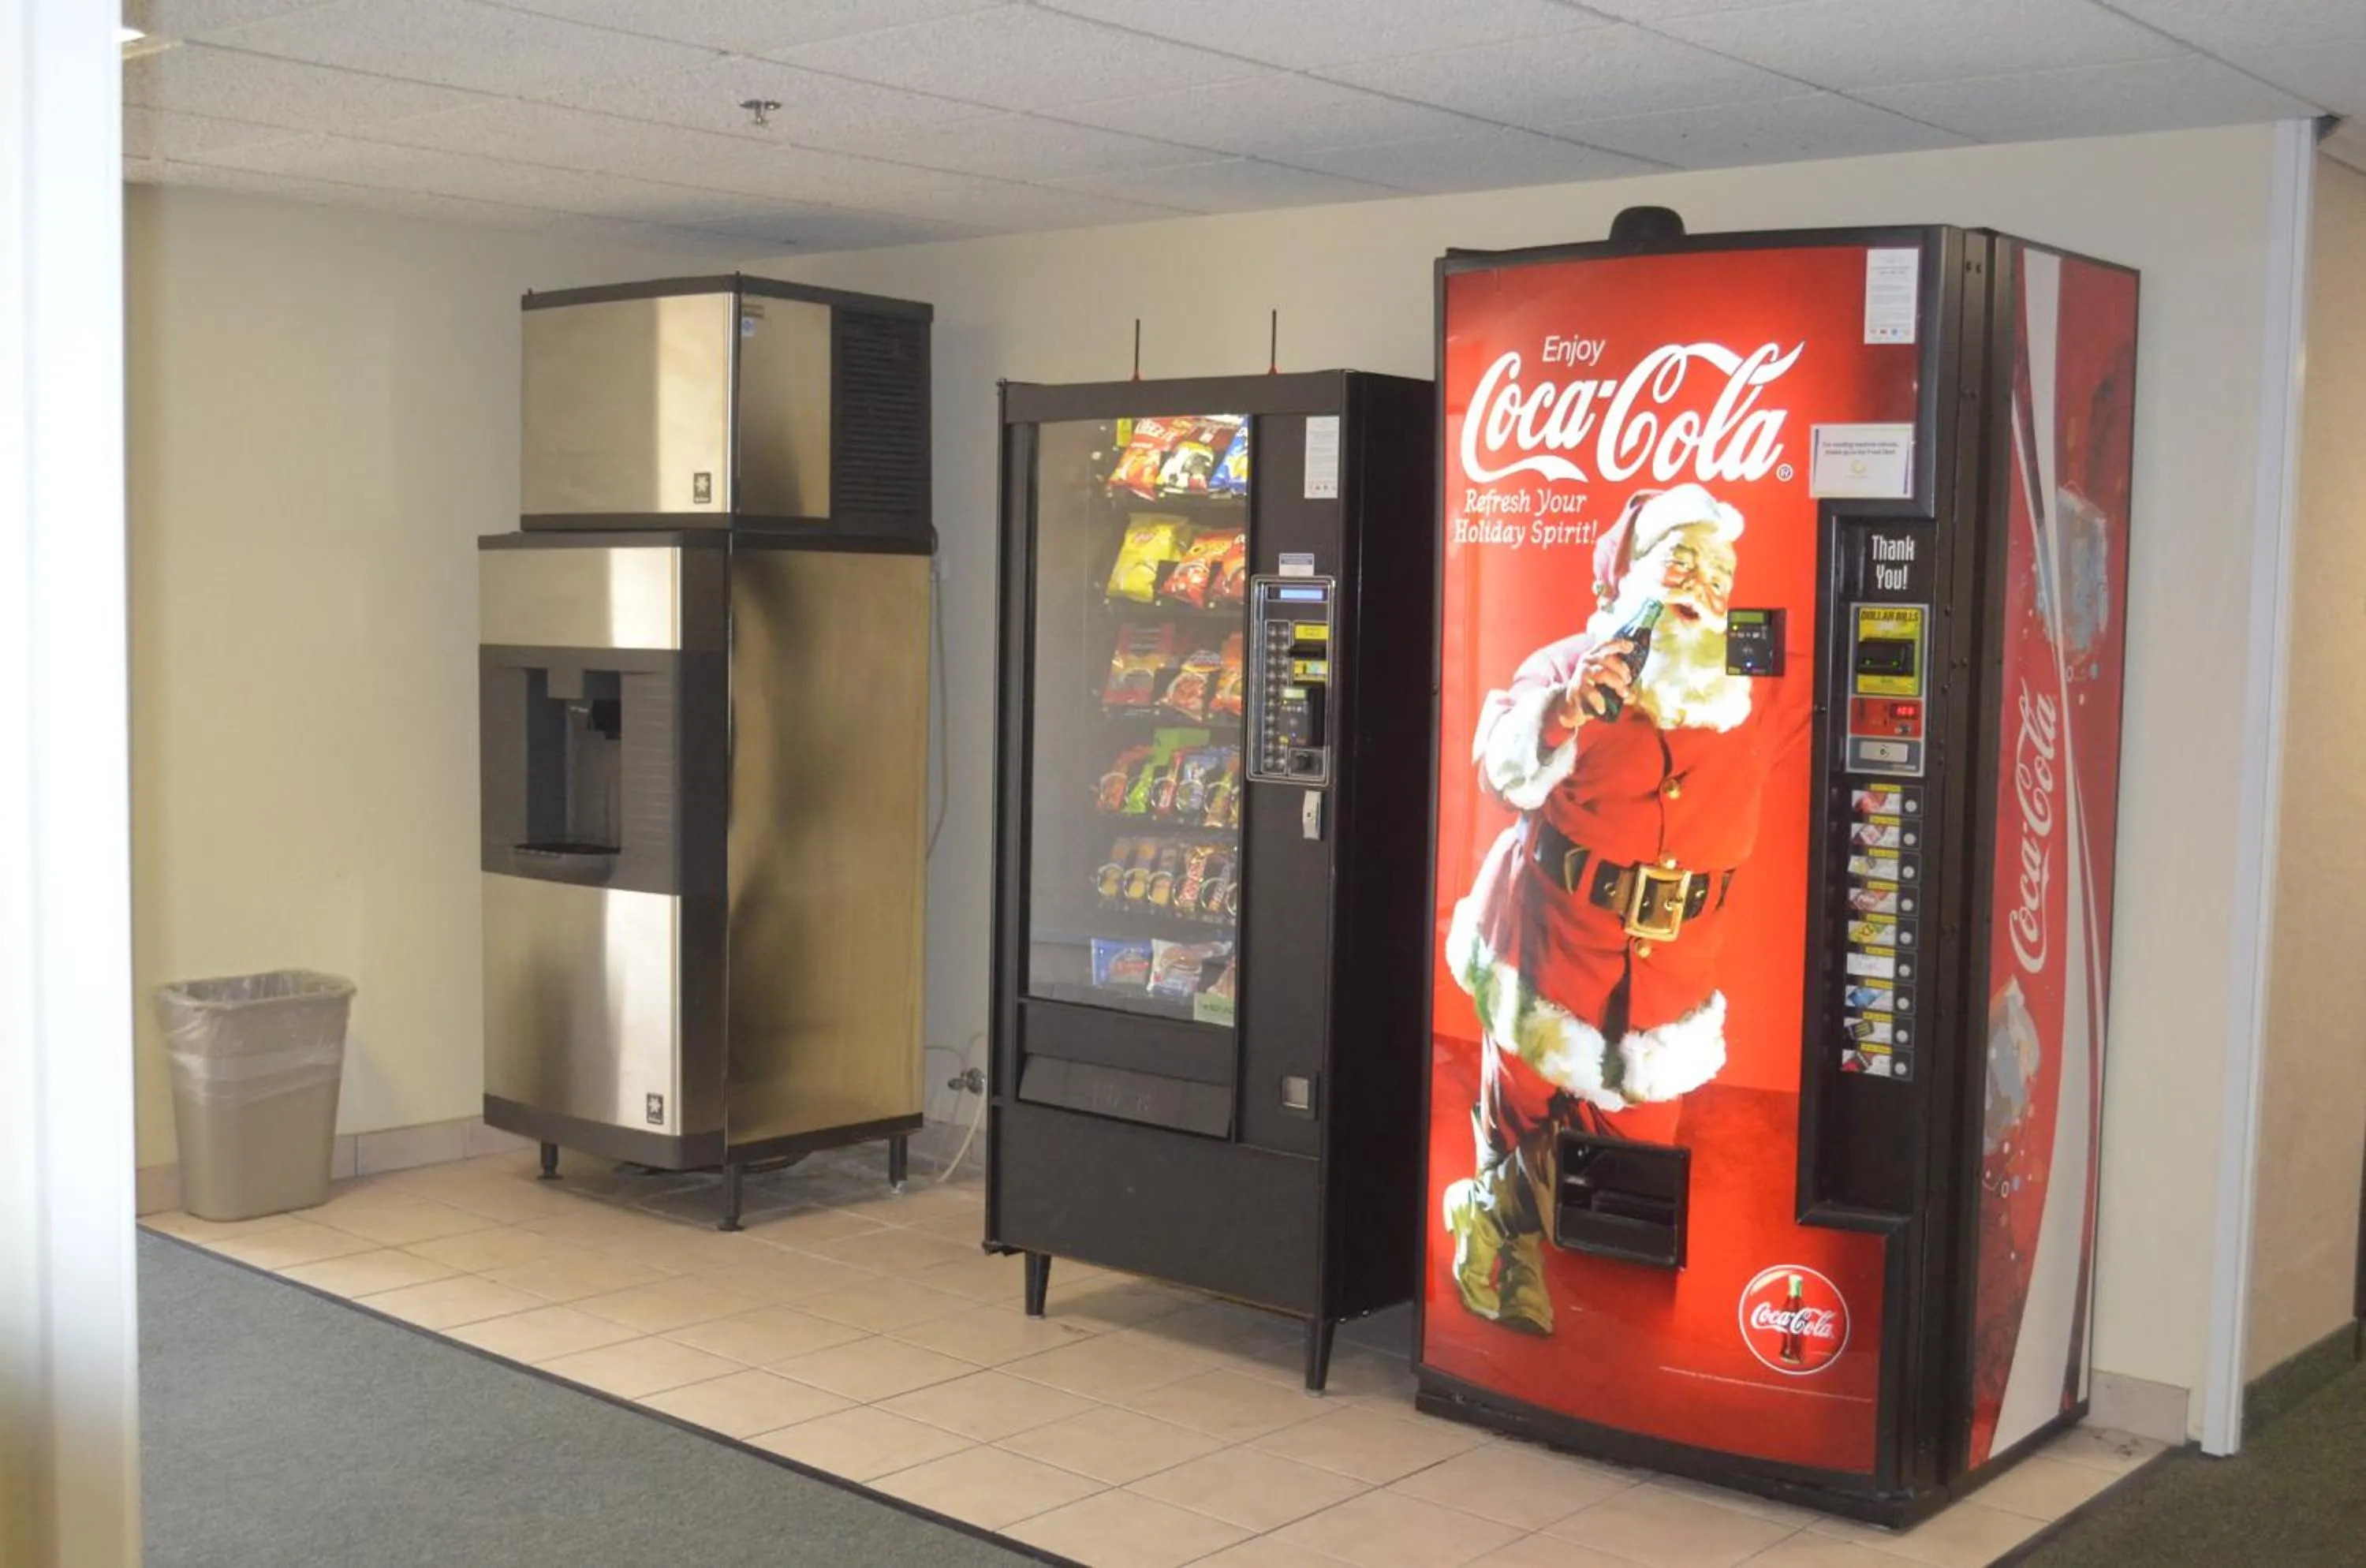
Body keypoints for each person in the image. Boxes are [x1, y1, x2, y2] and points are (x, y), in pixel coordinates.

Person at [1441, 482, 1808, 1334]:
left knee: (1637, 1141)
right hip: (1549, 938)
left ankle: (1490, 1213)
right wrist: (1565, 708)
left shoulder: (1751, 686)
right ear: (1627, 575)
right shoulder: (1567, 663)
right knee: (1520, 1107)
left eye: (1718, 566)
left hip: (1674, 964)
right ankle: (1501, 1259)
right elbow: (1498, 768)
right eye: (1678, 556)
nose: (1699, 579)